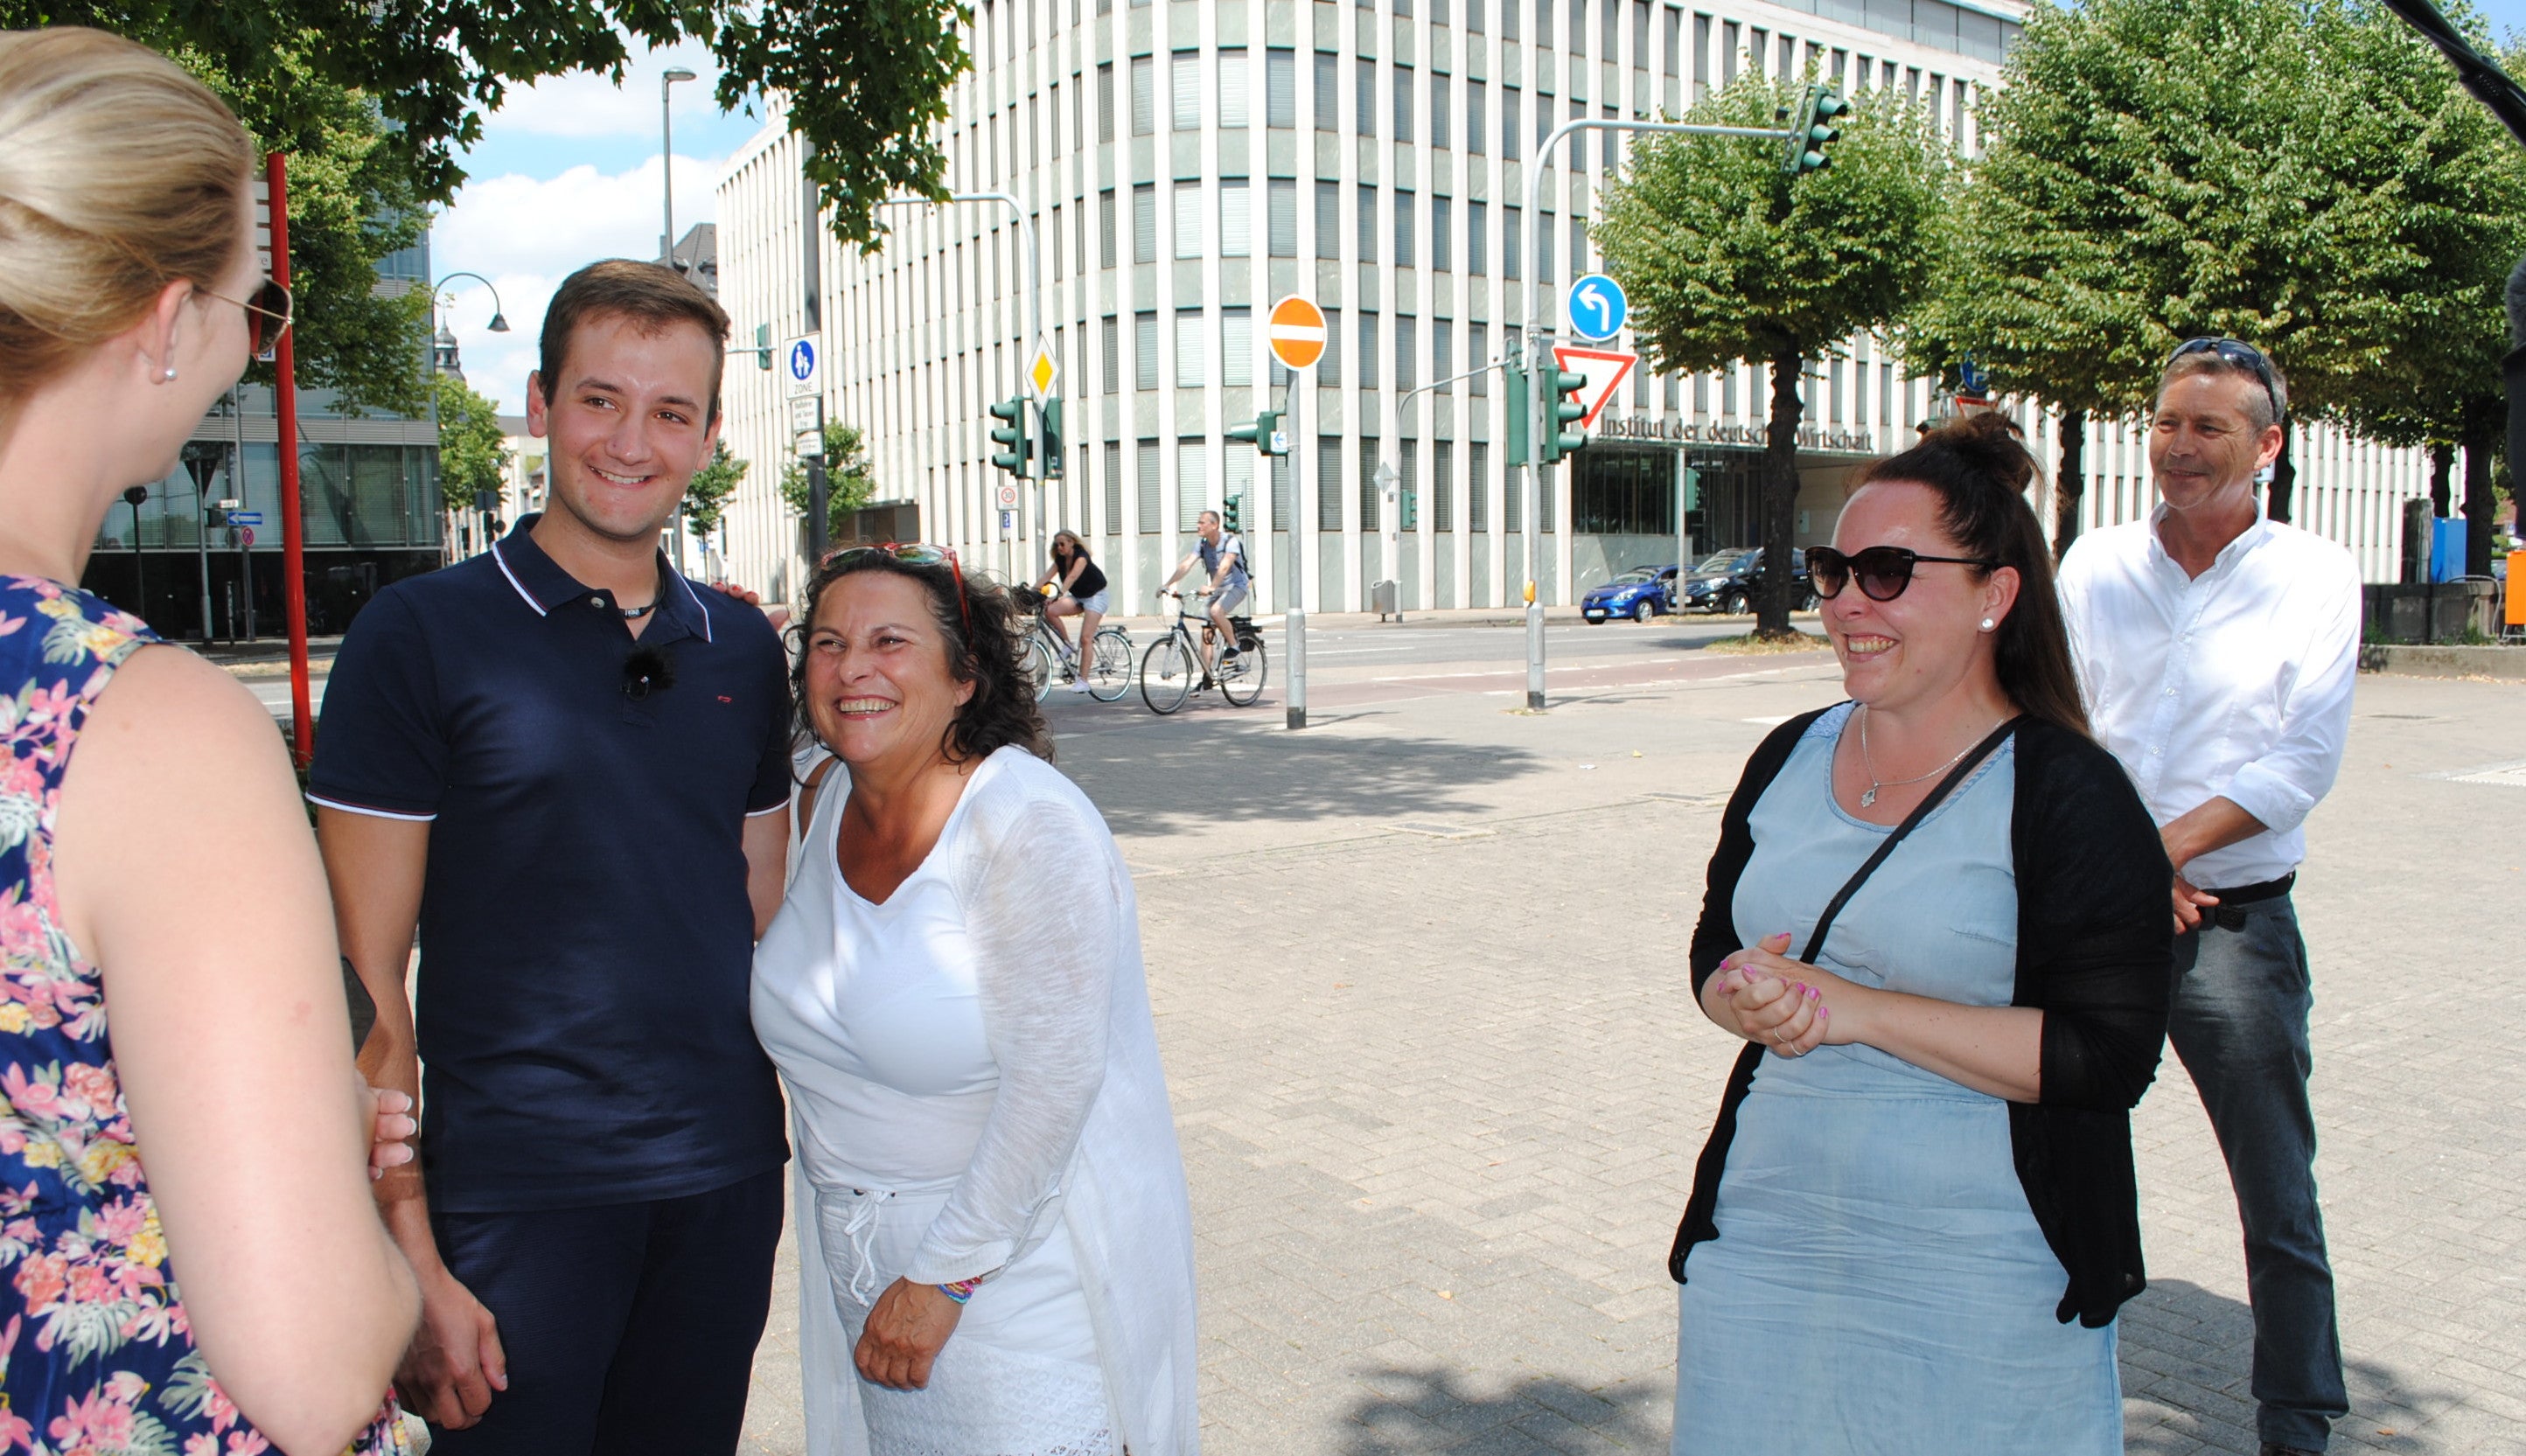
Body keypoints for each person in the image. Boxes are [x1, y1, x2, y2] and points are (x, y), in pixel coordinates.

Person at [0, 26, 417, 1453]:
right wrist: (356, 1204)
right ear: (166, 320)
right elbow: (311, 1369)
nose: (252, 344)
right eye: (259, 302)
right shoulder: (140, 729)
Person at [310, 259, 797, 1453]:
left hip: (722, 1183)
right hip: (514, 1203)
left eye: (671, 411)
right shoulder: (418, 637)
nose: (632, 442)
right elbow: (361, 984)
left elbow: (763, 914)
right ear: (538, 403)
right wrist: (408, 1251)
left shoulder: (739, 645)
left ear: (709, 435)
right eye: (600, 399)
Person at [1667, 414, 2172, 1453]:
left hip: (1984, 1267)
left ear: (1994, 595)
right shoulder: (1785, 756)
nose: (1847, 600)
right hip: (1767, 1242)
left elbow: (2104, 1055)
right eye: (1832, 568)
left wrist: (1859, 1012)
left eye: (1888, 570)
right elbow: (1716, 943)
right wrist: (1737, 994)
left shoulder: (2069, 793)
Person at [753, 545, 1200, 1455]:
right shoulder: (816, 796)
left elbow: (1055, 1083)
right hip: (858, 1259)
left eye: (890, 641)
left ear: (964, 677)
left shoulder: (1023, 823)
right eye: (828, 644)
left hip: (1007, 1279)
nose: (852, 669)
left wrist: (941, 1282)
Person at [2057, 340, 2359, 1456]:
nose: (2178, 448)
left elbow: (2297, 764)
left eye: (2209, 429)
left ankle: (2296, 1421)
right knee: (2051, 1147)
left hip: (2230, 922)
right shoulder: (2093, 563)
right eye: (2166, 422)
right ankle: (2044, 1376)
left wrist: (2153, 857)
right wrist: (2124, 866)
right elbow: (2057, 723)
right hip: (2091, 918)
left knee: (2275, 1190)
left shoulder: (2316, 576)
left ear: (2265, 446)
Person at [1157, 510, 1248, 674]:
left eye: (1202, 522)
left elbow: (1225, 566)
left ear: (1214, 525)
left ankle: (1235, 646)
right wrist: (1168, 584)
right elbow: (1186, 565)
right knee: (1206, 633)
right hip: (1217, 589)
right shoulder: (1201, 544)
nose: (1198, 525)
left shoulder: (1230, 542)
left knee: (1216, 611)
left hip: (1236, 586)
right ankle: (1207, 677)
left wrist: (1212, 587)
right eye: (1198, 522)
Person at [1032, 530, 1109, 693]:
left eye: (1062, 544)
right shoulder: (1060, 560)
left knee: (1086, 638)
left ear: (1072, 542)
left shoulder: (1081, 557)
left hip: (1096, 596)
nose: (1059, 547)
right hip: (1079, 597)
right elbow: (1046, 576)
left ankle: (1084, 681)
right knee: (1050, 610)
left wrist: (1059, 595)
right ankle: (1067, 644)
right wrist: (1031, 591)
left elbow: (1072, 576)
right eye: (1057, 545)